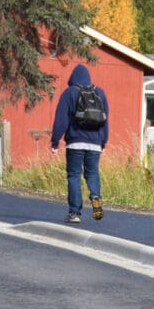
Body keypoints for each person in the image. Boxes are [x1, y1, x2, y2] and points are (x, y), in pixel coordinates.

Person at [50, 64, 108, 223]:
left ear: (72, 78)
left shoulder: (69, 93)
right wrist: (103, 142)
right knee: (92, 173)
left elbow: (61, 120)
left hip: (75, 143)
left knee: (74, 176)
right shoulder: (99, 93)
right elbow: (105, 120)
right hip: (95, 143)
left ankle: (74, 213)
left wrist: (55, 142)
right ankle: (96, 197)